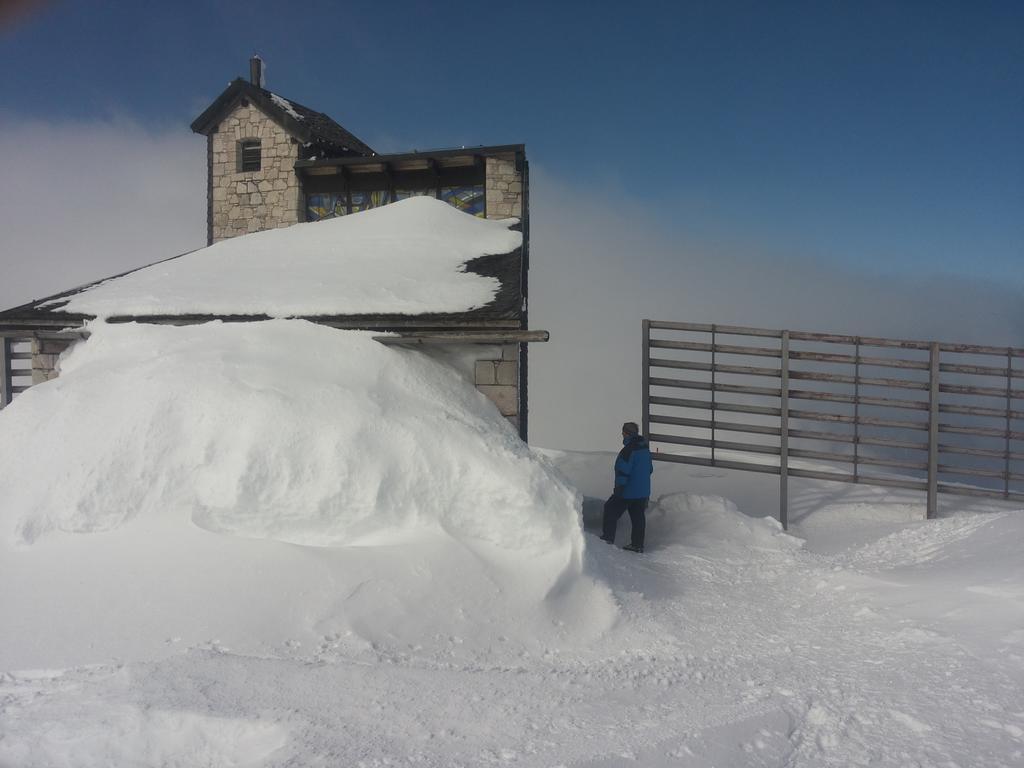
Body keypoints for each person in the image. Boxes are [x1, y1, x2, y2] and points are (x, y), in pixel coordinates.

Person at [601, 421, 653, 553]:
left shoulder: (628, 450)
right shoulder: (644, 448)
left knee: (610, 509)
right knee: (638, 517)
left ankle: (607, 539)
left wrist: (619, 489)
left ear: (626, 433)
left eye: (623, 432)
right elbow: (650, 469)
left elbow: (622, 471)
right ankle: (637, 545)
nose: (622, 434)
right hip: (643, 492)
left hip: (628, 491)